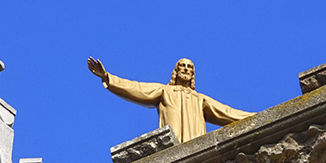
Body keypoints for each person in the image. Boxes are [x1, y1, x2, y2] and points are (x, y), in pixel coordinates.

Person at [87, 56, 253, 143]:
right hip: (172, 146)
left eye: (190, 67)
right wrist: (108, 77)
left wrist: (257, 118)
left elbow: (227, 112)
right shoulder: (164, 91)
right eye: (183, 66)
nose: (186, 69)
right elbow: (136, 88)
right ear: (176, 70)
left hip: (197, 144)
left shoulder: (199, 99)